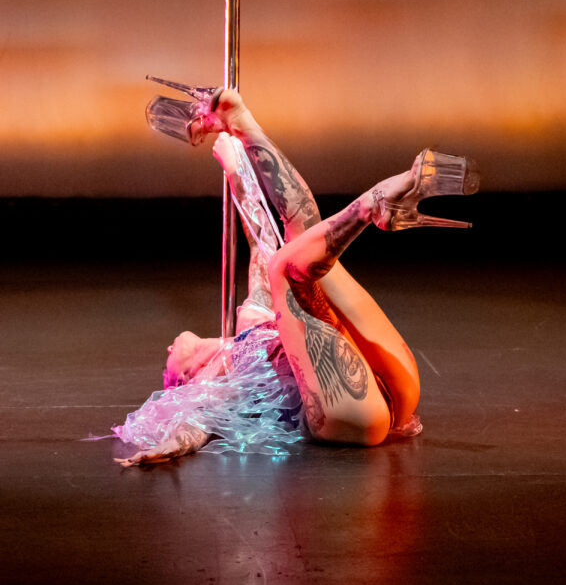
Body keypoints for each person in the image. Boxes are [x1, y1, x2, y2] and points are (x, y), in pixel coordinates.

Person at [115, 90, 478, 466]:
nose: (168, 351)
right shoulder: (213, 378)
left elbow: (261, 237)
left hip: (386, 381)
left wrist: (237, 167)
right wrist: (173, 445)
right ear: (185, 378)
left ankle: (246, 124)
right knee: (284, 269)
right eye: (169, 368)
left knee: (298, 242)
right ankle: (369, 207)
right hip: (347, 414)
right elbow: (199, 419)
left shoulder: (252, 324)